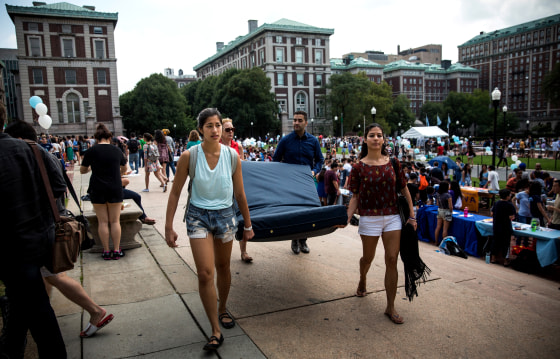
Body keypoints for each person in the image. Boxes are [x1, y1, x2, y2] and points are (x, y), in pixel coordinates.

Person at [164, 108, 254, 351]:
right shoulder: (189, 156)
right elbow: (175, 192)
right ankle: (215, 330)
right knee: (205, 273)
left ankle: (223, 308)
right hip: (198, 217)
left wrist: (248, 224)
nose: (215, 130)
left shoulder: (232, 157)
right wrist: (169, 226)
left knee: (223, 267)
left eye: (218, 125)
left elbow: (240, 194)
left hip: (225, 216)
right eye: (209, 126)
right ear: (201, 130)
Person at [0, 104, 68, 357]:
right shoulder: (30, 149)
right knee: (23, 302)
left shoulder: (25, 149)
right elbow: (58, 185)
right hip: (36, 239)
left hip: (13, 247)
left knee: (37, 308)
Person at [346, 123, 416, 325]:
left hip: (392, 215)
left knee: (392, 259)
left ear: (384, 139)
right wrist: (347, 217)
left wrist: (412, 215)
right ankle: (363, 278)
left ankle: (390, 306)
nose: (376, 138)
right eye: (371, 135)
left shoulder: (393, 162)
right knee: (368, 257)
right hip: (369, 217)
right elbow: (355, 197)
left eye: (379, 135)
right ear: (365, 139)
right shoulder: (359, 167)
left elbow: (404, 189)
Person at [273, 110, 324, 255]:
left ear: (306, 123)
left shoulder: (313, 141)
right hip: (290, 183)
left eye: (299, 120)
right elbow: (276, 159)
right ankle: (294, 239)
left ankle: (303, 240)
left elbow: (320, 160)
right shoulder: (285, 140)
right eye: (294, 120)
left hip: (307, 182)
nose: (296, 123)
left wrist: (315, 170)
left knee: (307, 212)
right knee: (294, 212)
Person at [81, 124, 128, 260]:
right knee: (114, 221)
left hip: (97, 187)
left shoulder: (91, 151)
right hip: (114, 186)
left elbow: (83, 170)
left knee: (102, 222)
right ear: (109, 137)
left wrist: (92, 168)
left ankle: (106, 250)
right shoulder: (116, 150)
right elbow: (124, 169)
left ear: (96, 138)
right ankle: (117, 250)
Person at [221, 118, 251, 262]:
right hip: (221, 189)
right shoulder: (216, 146)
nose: (231, 132)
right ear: (220, 131)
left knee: (241, 218)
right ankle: (221, 253)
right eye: (227, 129)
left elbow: (243, 166)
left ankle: (243, 252)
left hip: (236, 186)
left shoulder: (237, 146)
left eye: (232, 129)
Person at [490, 189, 516, 265]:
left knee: (495, 241)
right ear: (508, 196)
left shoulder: (497, 203)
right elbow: (511, 216)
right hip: (506, 226)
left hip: (496, 225)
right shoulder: (510, 205)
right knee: (506, 243)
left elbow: (492, 213)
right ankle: (505, 260)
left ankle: (493, 258)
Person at [434, 181, 453, 245]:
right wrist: (451, 212)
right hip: (446, 211)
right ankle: (444, 244)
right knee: (445, 229)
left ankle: (436, 242)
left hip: (440, 210)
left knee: (438, 227)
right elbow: (451, 206)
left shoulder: (437, 194)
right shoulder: (448, 195)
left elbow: (437, 203)